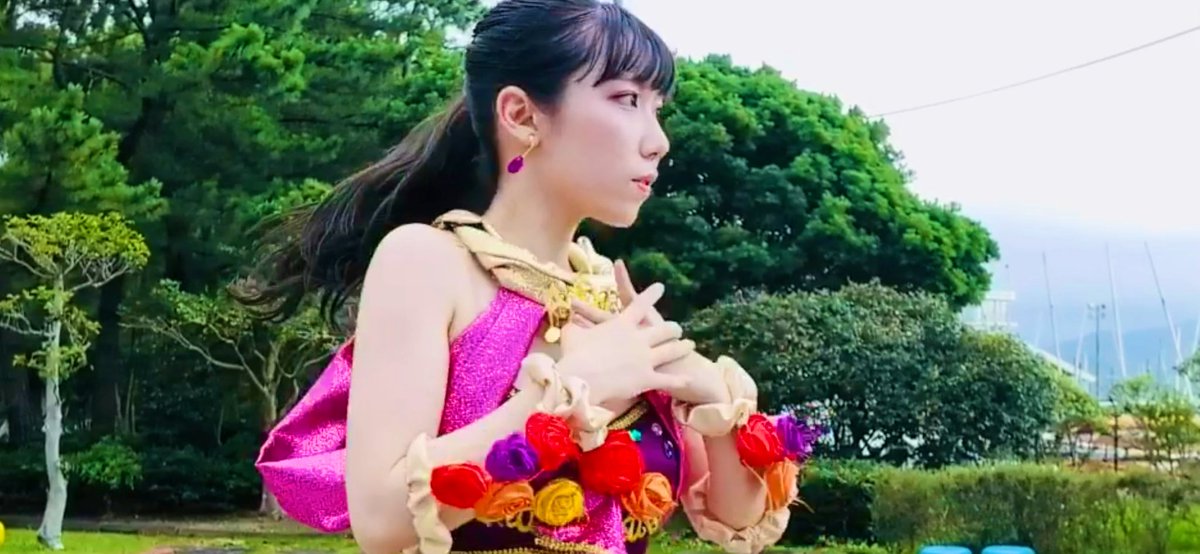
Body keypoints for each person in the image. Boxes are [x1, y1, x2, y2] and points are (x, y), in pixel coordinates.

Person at [247, 1, 818, 553]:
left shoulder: (610, 295)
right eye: (626, 99)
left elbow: (736, 518)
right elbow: (380, 520)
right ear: (521, 115)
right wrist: (573, 389)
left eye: (656, 107)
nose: (658, 141)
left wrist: (713, 397)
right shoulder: (427, 261)